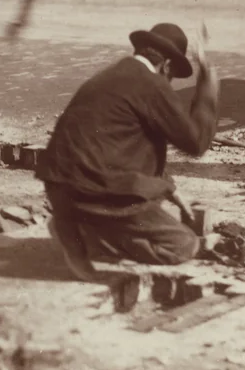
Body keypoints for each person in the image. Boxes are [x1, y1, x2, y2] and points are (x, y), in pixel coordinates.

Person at [37, 23, 219, 280]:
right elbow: (197, 142)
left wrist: (169, 188)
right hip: (96, 193)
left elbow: (122, 145)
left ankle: (73, 224)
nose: (169, 82)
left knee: (145, 211)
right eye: (172, 75)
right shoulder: (152, 84)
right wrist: (207, 80)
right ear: (166, 65)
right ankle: (87, 237)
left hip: (60, 189)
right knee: (184, 245)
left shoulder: (111, 75)